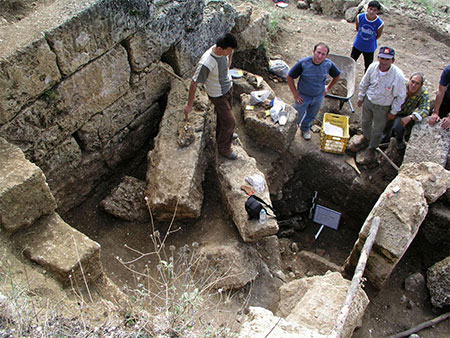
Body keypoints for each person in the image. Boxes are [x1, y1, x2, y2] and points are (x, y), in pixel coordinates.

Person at [184, 33, 238, 160]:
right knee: (231, 122)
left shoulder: (223, 49)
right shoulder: (207, 63)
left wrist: (229, 60)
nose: (230, 52)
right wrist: (189, 105)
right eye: (228, 51)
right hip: (218, 95)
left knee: (224, 118)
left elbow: (231, 52)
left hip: (227, 88)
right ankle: (224, 149)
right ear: (220, 49)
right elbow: (194, 82)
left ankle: (224, 135)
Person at [350, 46, 406, 163]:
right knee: (365, 122)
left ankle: (372, 147)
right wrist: (361, 97)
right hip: (369, 100)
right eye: (382, 58)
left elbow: (400, 96)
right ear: (378, 58)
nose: (384, 62)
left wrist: (393, 111)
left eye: (387, 59)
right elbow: (364, 83)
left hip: (383, 106)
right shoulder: (373, 67)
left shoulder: (398, 75)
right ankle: (365, 138)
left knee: (377, 129)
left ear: (392, 61)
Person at [287, 42, 341, 140]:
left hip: (318, 96)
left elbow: (337, 76)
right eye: (318, 52)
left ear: (326, 55)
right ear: (313, 51)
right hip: (303, 96)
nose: (319, 56)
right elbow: (289, 76)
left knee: (312, 115)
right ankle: (291, 133)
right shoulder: (303, 63)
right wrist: (295, 94)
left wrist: (328, 88)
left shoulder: (328, 64)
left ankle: (305, 129)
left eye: (323, 54)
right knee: (296, 116)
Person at [382, 72, 430, 148]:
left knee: (399, 126)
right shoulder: (400, 84)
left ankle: (399, 141)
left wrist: (411, 117)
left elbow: (425, 109)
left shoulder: (423, 93)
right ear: (409, 80)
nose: (413, 85)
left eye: (417, 83)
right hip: (390, 109)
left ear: (421, 85)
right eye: (412, 82)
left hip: (403, 114)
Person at [350, 0, 384, 73]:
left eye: (374, 10)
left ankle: (366, 80)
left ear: (377, 11)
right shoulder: (360, 17)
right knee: (351, 61)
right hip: (358, 44)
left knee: (368, 66)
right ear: (367, 8)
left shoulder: (380, 23)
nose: (371, 12)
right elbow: (358, 28)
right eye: (370, 9)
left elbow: (378, 35)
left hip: (369, 47)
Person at [428, 64, 450, 130]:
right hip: (447, 96)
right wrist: (435, 112)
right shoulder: (448, 70)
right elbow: (441, 91)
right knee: (432, 117)